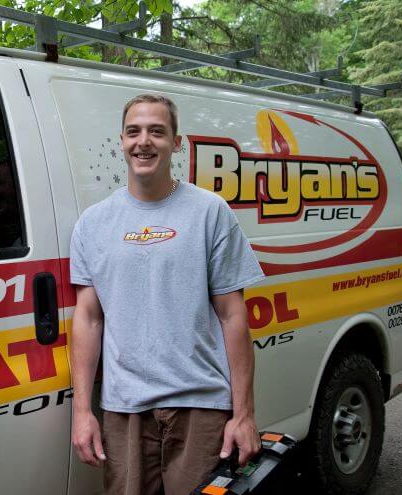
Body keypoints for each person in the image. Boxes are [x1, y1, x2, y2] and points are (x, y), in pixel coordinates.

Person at [69, 94, 265, 495]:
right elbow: (88, 319)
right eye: (134, 131)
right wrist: (82, 412)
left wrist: (243, 414)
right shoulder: (92, 224)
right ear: (121, 141)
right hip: (125, 407)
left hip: (201, 404)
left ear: (177, 143)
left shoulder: (210, 212)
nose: (144, 141)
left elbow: (233, 317)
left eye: (157, 131)